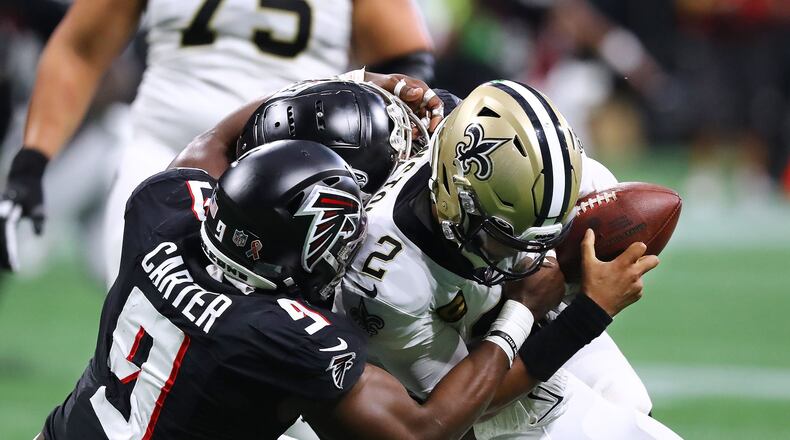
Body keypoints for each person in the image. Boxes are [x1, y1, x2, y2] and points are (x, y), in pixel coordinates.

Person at [38, 138, 549, 440]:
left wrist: (354, 86)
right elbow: (423, 430)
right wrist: (520, 312)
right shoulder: (279, 333)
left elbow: (212, 143)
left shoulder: (161, 212)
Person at [334, 80, 681, 439]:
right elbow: (461, 408)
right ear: (454, 199)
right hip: (448, 386)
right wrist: (584, 313)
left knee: (630, 401)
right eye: (505, 236)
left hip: (502, 317)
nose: (527, 258)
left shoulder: (546, 175)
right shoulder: (387, 278)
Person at [0, 0, 434, 282]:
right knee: (144, 316)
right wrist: (32, 161)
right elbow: (82, 47)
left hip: (294, 173)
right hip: (165, 155)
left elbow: (404, 62)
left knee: (280, 348)